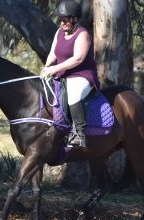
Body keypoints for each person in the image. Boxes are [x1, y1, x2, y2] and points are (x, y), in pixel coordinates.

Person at [41, 0, 100, 148]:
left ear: (74, 19)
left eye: (65, 20)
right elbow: (53, 53)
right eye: (60, 20)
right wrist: (47, 67)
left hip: (82, 75)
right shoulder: (59, 32)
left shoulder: (83, 35)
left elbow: (77, 59)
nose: (62, 23)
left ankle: (80, 134)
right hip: (62, 74)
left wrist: (54, 69)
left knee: (74, 93)